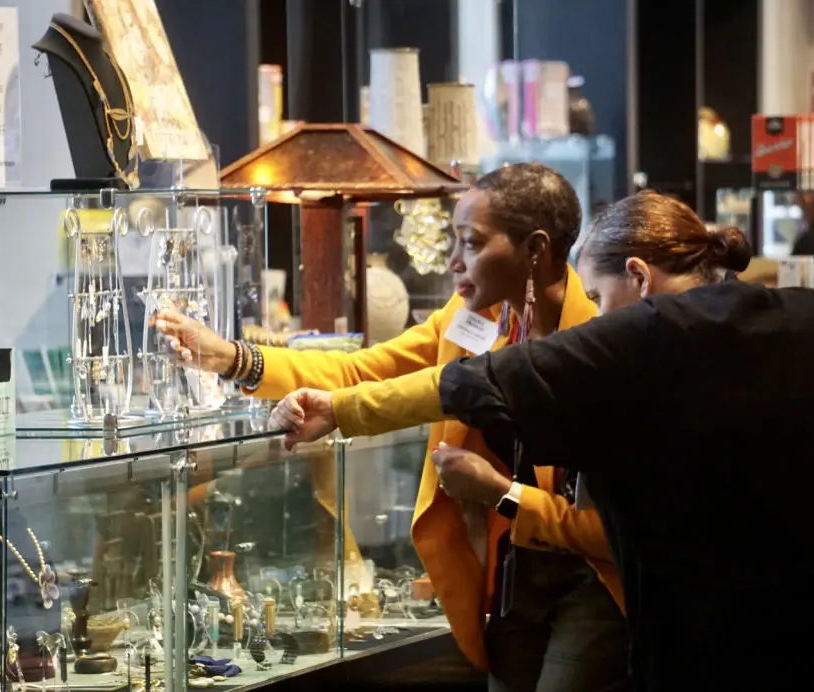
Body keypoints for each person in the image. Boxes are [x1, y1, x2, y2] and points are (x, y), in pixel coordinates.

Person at [269, 191, 814, 691]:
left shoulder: (634, 341)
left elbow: (467, 384)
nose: (593, 311)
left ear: (638, 277)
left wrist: (340, 410)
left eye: (598, 292)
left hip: (718, 646)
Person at [155, 163, 631, 692]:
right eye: (454, 240)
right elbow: (367, 370)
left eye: (471, 243)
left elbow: (609, 524)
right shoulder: (474, 315)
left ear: (535, 250)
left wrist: (500, 494)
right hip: (513, 570)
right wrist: (233, 359)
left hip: (593, 576)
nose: (453, 261)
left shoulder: (597, 338)